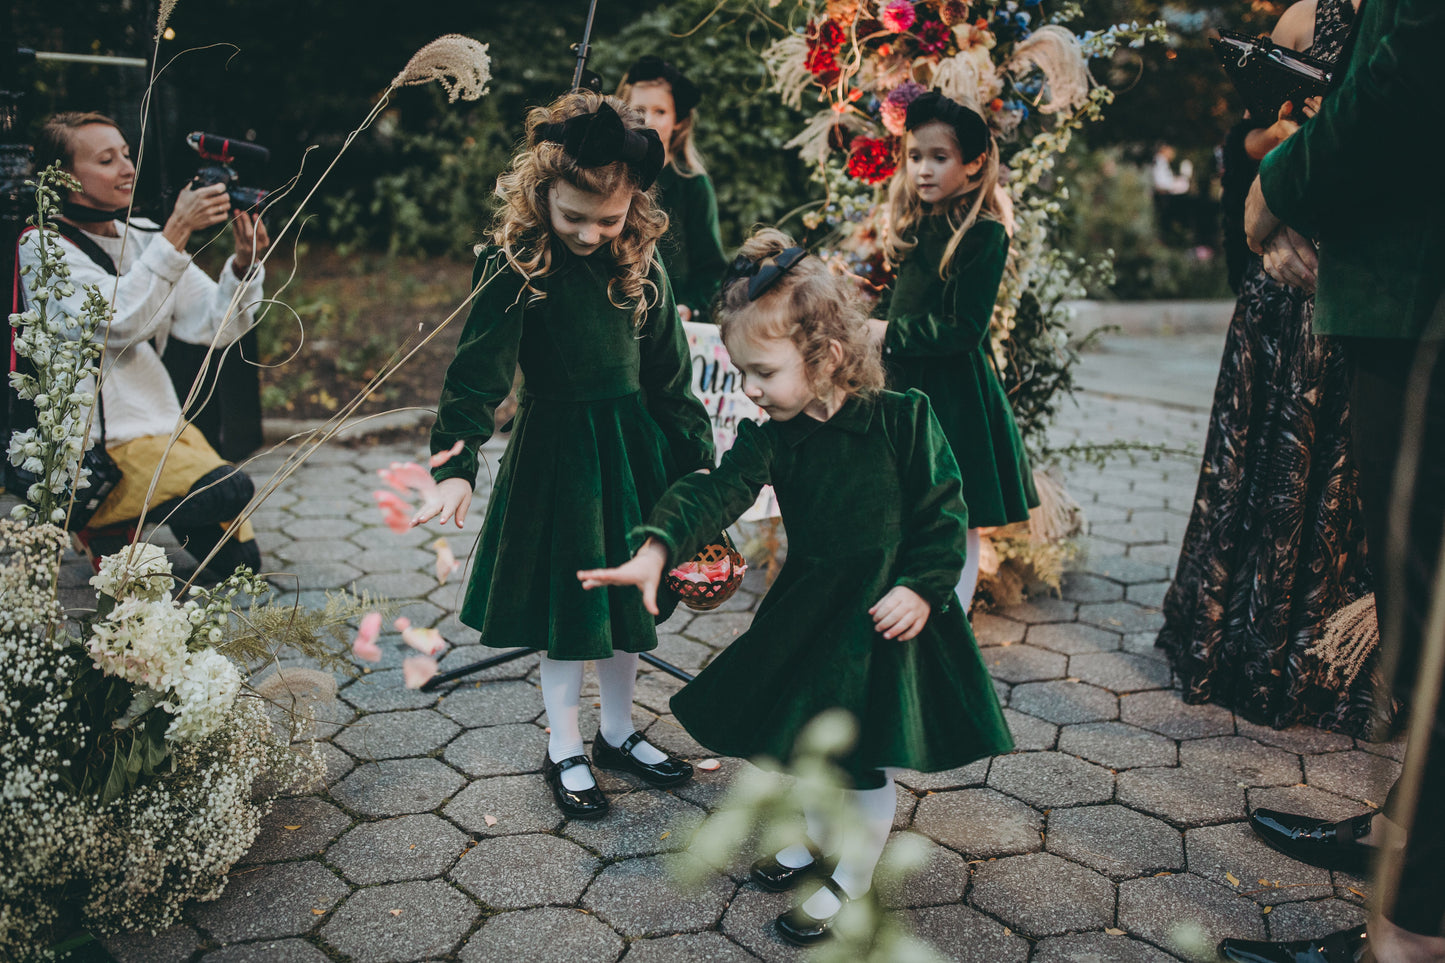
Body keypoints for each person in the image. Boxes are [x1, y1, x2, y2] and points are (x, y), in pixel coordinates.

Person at [578, 228, 1013, 946]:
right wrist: (658, 543)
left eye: (762, 371)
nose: (748, 388)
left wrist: (919, 586)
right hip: (810, 614)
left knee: (856, 759)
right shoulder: (774, 433)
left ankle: (851, 879)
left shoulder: (903, 420)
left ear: (826, 357)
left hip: (881, 622)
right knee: (808, 746)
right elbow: (716, 491)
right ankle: (815, 838)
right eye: (742, 370)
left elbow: (944, 518)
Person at [414, 92, 716, 822]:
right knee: (569, 609)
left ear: (634, 208)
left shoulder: (640, 265)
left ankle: (616, 733)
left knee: (624, 606)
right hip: (557, 461)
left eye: (606, 219)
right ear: (540, 191)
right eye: (572, 215)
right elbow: (475, 376)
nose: (587, 232)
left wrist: (699, 471)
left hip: (632, 454)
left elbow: (672, 382)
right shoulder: (515, 263)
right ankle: (565, 744)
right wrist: (455, 465)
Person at [1217, 2, 1445, 961]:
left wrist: (1278, 181)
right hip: (1410, 283)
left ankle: (1411, 932)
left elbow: (1404, 79)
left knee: (1429, 621)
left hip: (1422, 292)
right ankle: (1409, 835)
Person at [1157, 0, 1381, 740]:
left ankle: (1330, 664)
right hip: (1285, 282)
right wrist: (1284, 154)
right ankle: (1239, 654)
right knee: (1262, 466)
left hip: (1361, 276)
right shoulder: (1303, 18)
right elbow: (1244, 138)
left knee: (1341, 481)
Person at [16, 111, 267, 579]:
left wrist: (242, 265)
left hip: (159, 424)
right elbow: (115, 323)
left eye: (127, 155)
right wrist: (175, 234)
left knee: (240, 569)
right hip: (100, 444)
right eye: (107, 160)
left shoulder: (142, 237)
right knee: (227, 490)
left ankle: (120, 524)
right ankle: (99, 515)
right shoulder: (42, 246)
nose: (128, 168)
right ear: (65, 177)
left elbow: (214, 326)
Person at [872, 90, 1038, 614]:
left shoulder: (984, 233)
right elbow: (901, 298)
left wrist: (890, 333)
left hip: (953, 398)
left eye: (938, 158)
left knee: (955, 511)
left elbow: (964, 328)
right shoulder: (917, 220)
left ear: (974, 163)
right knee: (902, 502)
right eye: (915, 156)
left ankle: (957, 620)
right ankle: (905, 606)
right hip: (901, 384)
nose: (922, 169)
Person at [618, 55, 727, 322]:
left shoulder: (692, 185)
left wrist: (689, 307)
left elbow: (711, 269)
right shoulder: (610, 177)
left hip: (669, 322)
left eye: (660, 111)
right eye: (639, 110)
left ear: (678, 120)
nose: (648, 120)